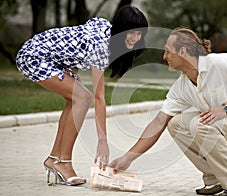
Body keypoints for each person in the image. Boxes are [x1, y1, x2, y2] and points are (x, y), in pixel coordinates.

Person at [108, 28, 227, 196]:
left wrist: (225, 107)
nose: (164, 56)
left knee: (199, 124)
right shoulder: (183, 85)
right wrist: (128, 158)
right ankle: (214, 177)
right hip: (225, 127)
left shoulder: (222, 62)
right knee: (175, 123)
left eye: (168, 51)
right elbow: (158, 122)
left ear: (182, 51)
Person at [16, 5, 148, 186]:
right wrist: (102, 140)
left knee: (77, 98)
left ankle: (54, 159)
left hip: (49, 59)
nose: (135, 38)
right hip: (34, 56)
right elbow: (99, 97)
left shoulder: (106, 31)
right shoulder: (101, 46)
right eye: (130, 32)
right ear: (119, 29)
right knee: (83, 98)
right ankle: (64, 163)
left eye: (139, 33)